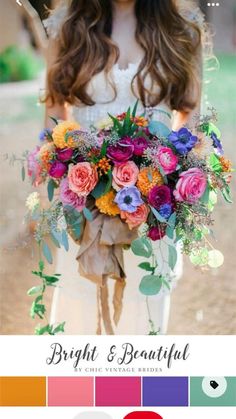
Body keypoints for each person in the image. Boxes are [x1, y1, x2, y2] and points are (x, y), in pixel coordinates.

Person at [43, 0, 205, 335]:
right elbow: (55, 113)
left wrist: (169, 177)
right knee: (82, 311)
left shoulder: (182, 30)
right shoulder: (66, 27)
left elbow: (191, 118)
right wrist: (64, 169)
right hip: (84, 206)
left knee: (142, 317)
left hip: (152, 207)